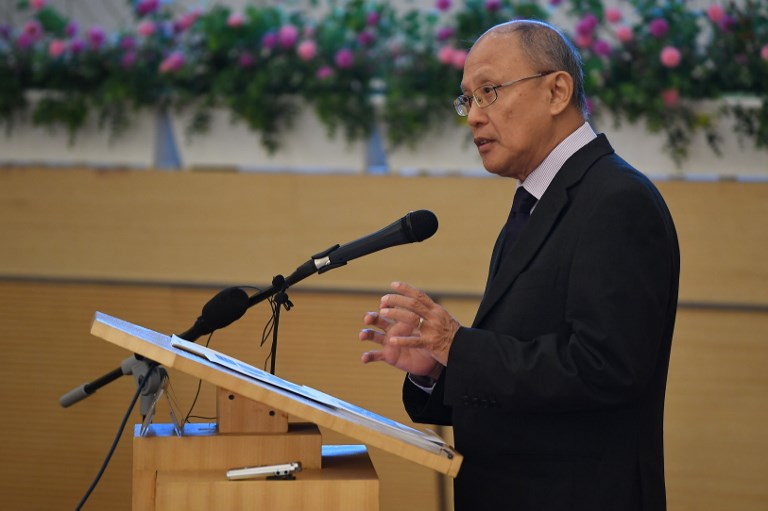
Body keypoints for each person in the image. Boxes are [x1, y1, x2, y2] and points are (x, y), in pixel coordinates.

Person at [358, 19, 680, 511]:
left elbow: (605, 368)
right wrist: (438, 367)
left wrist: (457, 345)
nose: (472, 117)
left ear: (557, 91)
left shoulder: (616, 200)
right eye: (467, 99)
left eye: (489, 91)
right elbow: (522, 359)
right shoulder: (536, 199)